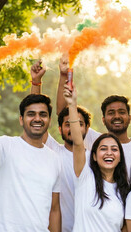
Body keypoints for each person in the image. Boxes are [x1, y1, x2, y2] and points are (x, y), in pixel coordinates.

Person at [0, 82, 61, 231]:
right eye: (31, 114)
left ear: (49, 120)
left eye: (43, 114)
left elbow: (54, 210)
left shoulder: (55, 159)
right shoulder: (6, 146)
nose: (37, 118)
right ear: (21, 120)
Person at [30, 59, 96, 231]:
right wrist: (36, 82)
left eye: (78, 124)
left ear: (87, 128)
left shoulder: (95, 158)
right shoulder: (52, 151)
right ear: (59, 129)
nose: (72, 128)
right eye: (67, 124)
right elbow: (35, 119)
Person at [62, 82, 129, 231]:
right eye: (103, 149)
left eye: (114, 149)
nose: (109, 153)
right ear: (93, 156)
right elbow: (78, 143)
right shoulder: (85, 176)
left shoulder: (124, 190)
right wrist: (72, 105)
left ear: (120, 157)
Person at [57, 55, 131, 176]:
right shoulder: (95, 141)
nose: (117, 116)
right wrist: (64, 75)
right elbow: (64, 114)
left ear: (130, 118)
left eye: (121, 112)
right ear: (103, 120)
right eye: (111, 113)